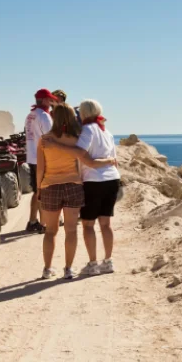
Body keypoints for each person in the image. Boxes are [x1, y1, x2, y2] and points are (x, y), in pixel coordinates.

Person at [37, 103, 115, 280]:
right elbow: (82, 163)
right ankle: (68, 269)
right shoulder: (76, 139)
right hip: (73, 186)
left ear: (53, 118)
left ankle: (47, 269)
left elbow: (40, 169)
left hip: (50, 186)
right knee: (71, 231)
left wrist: (38, 188)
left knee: (50, 231)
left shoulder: (45, 140)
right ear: (73, 118)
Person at [74, 99, 121, 276]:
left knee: (88, 224)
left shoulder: (87, 129)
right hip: (112, 179)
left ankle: (93, 264)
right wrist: (106, 162)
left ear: (84, 113)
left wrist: (92, 163)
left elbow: (80, 152)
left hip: (93, 181)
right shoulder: (106, 131)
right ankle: (108, 261)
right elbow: (114, 159)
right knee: (106, 223)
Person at [23, 88, 55, 233]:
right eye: (49, 99)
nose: (51, 101)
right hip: (42, 158)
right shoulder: (44, 116)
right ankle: (43, 224)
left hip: (31, 156)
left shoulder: (30, 115)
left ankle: (32, 221)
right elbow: (50, 138)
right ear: (42, 100)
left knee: (37, 191)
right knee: (43, 192)